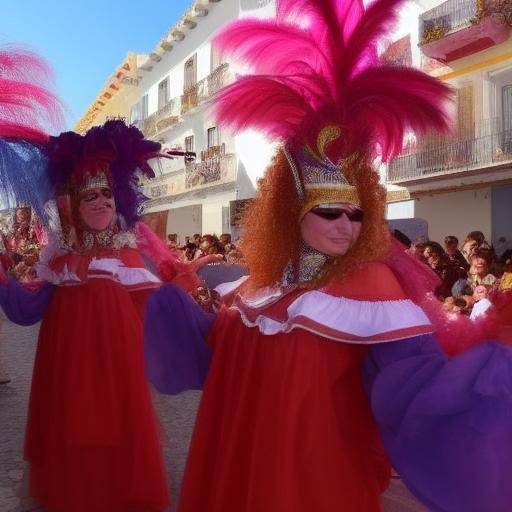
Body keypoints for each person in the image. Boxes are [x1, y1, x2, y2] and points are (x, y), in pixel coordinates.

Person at [144, 1, 512, 511]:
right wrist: (173, 298)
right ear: (292, 214)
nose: (346, 225)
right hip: (240, 462)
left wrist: (488, 361)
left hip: (316, 479)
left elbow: (415, 385)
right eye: (329, 212)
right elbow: (216, 357)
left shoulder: (373, 288)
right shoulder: (262, 285)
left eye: (356, 214)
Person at [0, 52, 211, 512]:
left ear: (120, 200)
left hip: (114, 376)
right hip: (64, 372)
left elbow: (158, 312)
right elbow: (27, 309)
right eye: (88, 195)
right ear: (71, 204)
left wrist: (193, 298)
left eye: (106, 194)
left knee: (110, 436)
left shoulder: (127, 255)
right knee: (71, 433)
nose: (99, 203)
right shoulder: (60, 258)